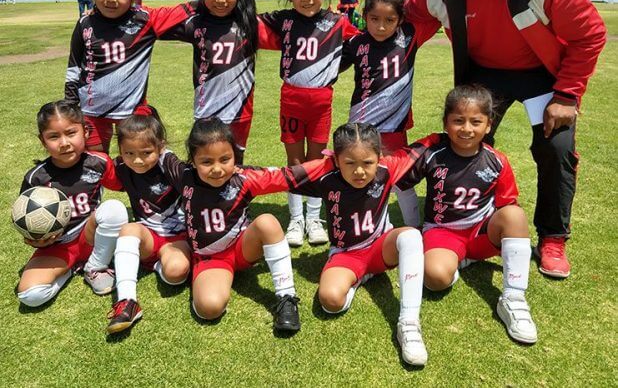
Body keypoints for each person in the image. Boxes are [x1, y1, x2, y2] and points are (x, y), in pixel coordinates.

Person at [405, 0, 606, 278]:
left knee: (556, 149)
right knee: (462, 145)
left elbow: (589, 35)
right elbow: (410, 24)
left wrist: (566, 95)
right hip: (484, 75)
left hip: (543, 74)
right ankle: (456, 220)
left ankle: (552, 237)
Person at [397, 85, 538, 344]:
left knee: (515, 215)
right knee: (435, 279)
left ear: (488, 125)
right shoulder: (432, 154)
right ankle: (458, 261)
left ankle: (513, 298)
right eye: (458, 121)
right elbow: (402, 182)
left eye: (476, 121)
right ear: (445, 123)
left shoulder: (497, 161)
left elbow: (507, 205)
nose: (467, 129)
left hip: (481, 232)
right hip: (442, 233)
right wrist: (413, 226)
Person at [281, 123, 427, 366]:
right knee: (330, 302)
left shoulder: (388, 168)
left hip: (382, 247)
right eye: (350, 163)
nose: (360, 171)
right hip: (346, 254)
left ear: (379, 158)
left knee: (411, 236)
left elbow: (422, 149)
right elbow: (279, 177)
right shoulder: (324, 176)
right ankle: (360, 276)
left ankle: (409, 324)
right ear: (336, 160)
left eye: (367, 163)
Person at [162, 118, 301, 333]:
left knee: (268, 222)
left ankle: (287, 297)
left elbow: (289, 176)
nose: (217, 169)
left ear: (235, 157)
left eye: (225, 159)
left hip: (242, 249)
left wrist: (331, 163)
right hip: (211, 259)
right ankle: (207, 281)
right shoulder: (183, 175)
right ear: (193, 161)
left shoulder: (244, 178)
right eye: (207, 162)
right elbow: (159, 150)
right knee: (209, 308)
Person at [260, 0, 358, 247]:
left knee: (316, 161)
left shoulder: (338, 22)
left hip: (321, 103)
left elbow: (360, 47)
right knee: (294, 161)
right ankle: (295, 219)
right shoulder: (284, 20)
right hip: (290, 100)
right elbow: (247, 22)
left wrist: (333, 67)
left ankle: (314, 219)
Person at [162, 0, 277, 163]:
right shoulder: (194, 24)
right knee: (203, 164)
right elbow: (155, 24)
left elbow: (293, 35)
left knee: (235, 165)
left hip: (240, 114)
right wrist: (195, 5)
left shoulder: (251, 24)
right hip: (206, 112)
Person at [64, 0, 189, 153]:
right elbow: (74, 66)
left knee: (138, 165)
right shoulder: (85, 22)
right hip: (91, 112)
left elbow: (182, 13)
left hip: (132, 111)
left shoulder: (145, 20)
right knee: (95, 165)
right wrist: (70, 104)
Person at [341, 0, 436, 228]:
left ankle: (415, 228)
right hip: (361, 129)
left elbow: (437, 7)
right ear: (364, 16)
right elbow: (329, 65)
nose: (381, 27)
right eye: (374, 19)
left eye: (389, 20)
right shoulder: (356, 43)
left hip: (395, 127)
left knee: (400, 178)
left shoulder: (410, 36)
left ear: (401, 19)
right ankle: (367, 230)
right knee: (364, 178)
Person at [16, 100, 127, 307]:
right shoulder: (36, 178)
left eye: (71, 133)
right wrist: (36, 240)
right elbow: (25, 220)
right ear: (43, 141)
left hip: (91, 236)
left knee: (114, 209)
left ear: (85, 132)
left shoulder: (99, 162)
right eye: (54, 137)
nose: (64, 142)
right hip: (57, 245)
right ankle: (71, 268)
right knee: (30, 296)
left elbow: (126, 186)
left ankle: (95, 266)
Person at [106, 112, 190, 334]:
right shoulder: (122, 167)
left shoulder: (168, 162)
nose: (137, 160)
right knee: (129, 228)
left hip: (178, 237)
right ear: (121, 151)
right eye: (129, 153)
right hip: (147, 237)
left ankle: (155, 264)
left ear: (160, 146)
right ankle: (127, 302)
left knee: (176, 273)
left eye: (146, 152)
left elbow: (189, 180)